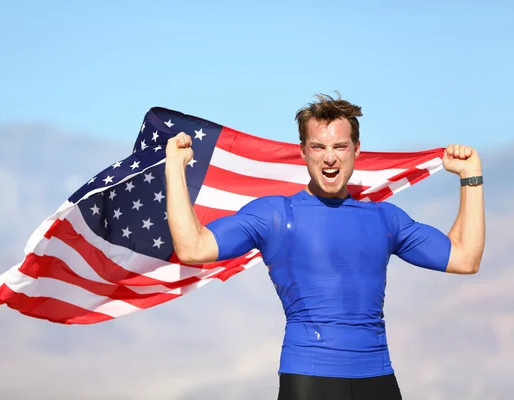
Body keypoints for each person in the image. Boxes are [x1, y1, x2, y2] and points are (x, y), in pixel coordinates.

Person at [164, 93, 485, 400]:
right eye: (318, 146)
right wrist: (175, 167)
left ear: (356, 149)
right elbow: (193, 248)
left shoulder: (385, 218)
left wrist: (470, 177)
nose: (330, 157)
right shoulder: (275, 216)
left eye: (340, 146)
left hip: (378, 379)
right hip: (309, 379)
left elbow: (463, 257)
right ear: (303, 151)